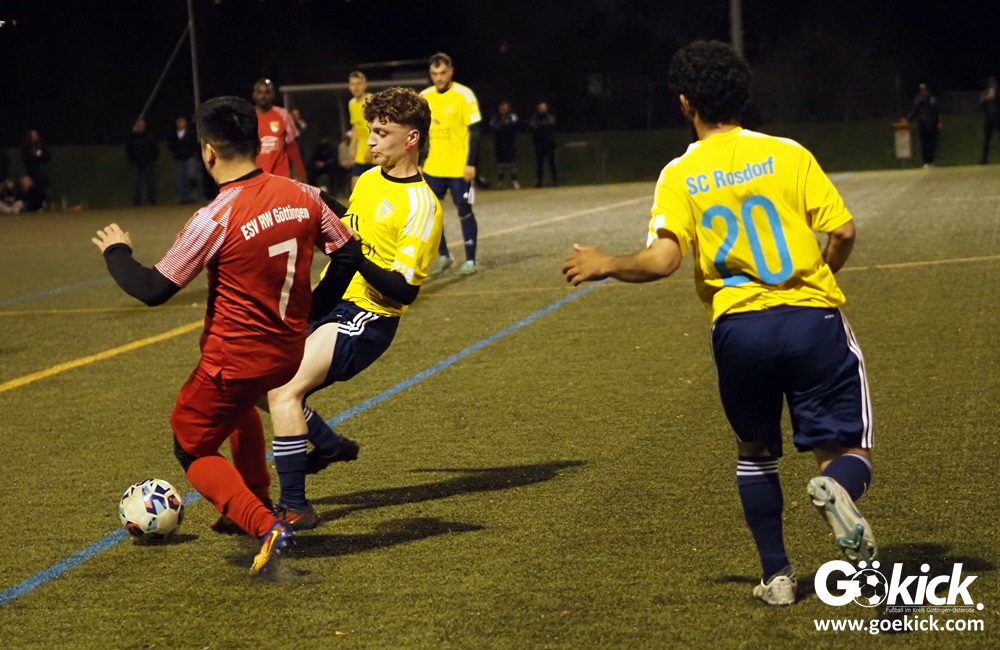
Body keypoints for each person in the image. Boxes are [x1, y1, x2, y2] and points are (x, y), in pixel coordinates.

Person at [562, 40, 875, 608]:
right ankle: (837, 491)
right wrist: (819, 275)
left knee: (755, 451)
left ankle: (777, 577)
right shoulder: (787, 153)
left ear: (686, 102)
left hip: (740, 332)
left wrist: (606, 263)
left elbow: (663, 260)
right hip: (811, 321)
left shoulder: (680, 173)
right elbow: (845, 231)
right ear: (742, 93)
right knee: (845, 447)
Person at [90, 95, 358, 575]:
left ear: (208, 152)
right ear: (256, 141)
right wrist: (312, 308)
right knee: (240, 407)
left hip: (234, 360)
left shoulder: (214, 217)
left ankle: (264, 525)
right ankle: (253, 497)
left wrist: (117, 252)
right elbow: (348, 252)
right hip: (287, 352)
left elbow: (152, 288)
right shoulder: (303, 194)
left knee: (190, 445)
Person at [264, 86, 443, 529]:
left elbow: (403, 290)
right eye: (371, 131)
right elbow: (349, 229)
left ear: (411, 138)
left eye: (382, 133)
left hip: (368, 316)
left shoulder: (423, 205)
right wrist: (315, 199)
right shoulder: (367, 180)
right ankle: (327, 444)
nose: (371, 140)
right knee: (257, 380)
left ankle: (295, 507)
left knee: (284, 390)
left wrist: (354, 252)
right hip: (330, 299)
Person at [421, 52, 482, 276]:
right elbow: (419, 133)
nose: (438, 78)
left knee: (464, 209)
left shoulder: (464, 94)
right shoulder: (424, 97)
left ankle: (471, 260)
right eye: (434, 73)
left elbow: (476, 131)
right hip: (433, 167)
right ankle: (444, 255)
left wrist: (471, 163)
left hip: (459, 168)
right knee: (429, 212)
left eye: (442, 73)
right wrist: (419, 162)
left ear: (451, 72)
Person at [253, 78, 306, 180]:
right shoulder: (249, 117)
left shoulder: (283, 115)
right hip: (257, 176)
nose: (263, 96)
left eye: (267, 92)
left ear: (273, 95)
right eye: (260, 92)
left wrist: (301, 171)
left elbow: (291, 145)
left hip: (280, 176)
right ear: (254, 94)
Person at [347, 71, 374, 190]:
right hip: (361, 153)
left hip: (375, 152)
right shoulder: (352, 104)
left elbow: (377, 127)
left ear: (364, 85)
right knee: (355, 187)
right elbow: (356, 127)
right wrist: (352, 147)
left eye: (358, 84)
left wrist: (371, 149)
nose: (356, 87)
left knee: (374, 188)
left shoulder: (371, 100)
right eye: (353, 84)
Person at [907, 83, 941, 168]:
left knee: (932, 144)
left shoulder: (933, 100)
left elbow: (937, 111)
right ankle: (926, 162)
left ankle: (931, 161)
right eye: (922, 90)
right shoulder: (918, 101)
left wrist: (939, 122)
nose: (924, 92)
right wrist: (908, 120)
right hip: (923, 125)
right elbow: (913, 112)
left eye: (925, 90)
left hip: (933, 124)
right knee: (924, 144)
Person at [125, 117, 158, 206]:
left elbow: (154, 147)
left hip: (148, 161)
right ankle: (137, 201)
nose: (140, 126)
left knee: (150, 182)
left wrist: (153, 157)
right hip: (136, 162)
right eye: (139, 124)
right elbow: (128, 148)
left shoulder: (149, 135)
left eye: (142, 124)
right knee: (136, 183)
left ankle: (151, 200)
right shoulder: (132, 136)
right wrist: (131, 159)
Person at [167, 115, 199, 204]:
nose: (180, 124)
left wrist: (191, 152)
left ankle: (192, 196)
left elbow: (194, 144)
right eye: (179, 122)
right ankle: (183, 197)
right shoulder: (174, 134)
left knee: (191, 177)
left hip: (189, 158)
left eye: (182, 121)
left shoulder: (190, 133)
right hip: (178, 158)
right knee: (181, 179)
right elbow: (170, 145)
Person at [490, 100, 521, 189]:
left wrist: (505, 126)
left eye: (505, 108)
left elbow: (514, 125)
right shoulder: (495, 118)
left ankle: (515, 181)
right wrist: (503, 126)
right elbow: (494, 127)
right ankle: (500, 182)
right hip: (499, 143)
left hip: (510, 143)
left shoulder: (512, 117)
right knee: (501, 165)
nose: (503, 109)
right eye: (502, 108)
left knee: (511, 164)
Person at [528, 102, 557, 187]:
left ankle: (555, 180)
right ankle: (539, 181)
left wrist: (540, 126)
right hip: (539, 144)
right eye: (541, 108)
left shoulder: (550, 117)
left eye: (544, 108)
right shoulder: (534, 118)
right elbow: (532, 126)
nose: (543, 109)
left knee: (552, 163)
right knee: (539, 164)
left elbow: (551, 124)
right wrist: (542, 127)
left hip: (549, 144)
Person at [979, 76, 1000, 164]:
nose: (992, 85)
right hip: (988, 119)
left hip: (998, 119)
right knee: (986, 140)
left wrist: (996, 96)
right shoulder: (985, 93)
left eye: (994, 83)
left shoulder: (999, 93)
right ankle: (984, 159)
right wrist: (987, 97)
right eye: (991, 83)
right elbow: (980, 104)